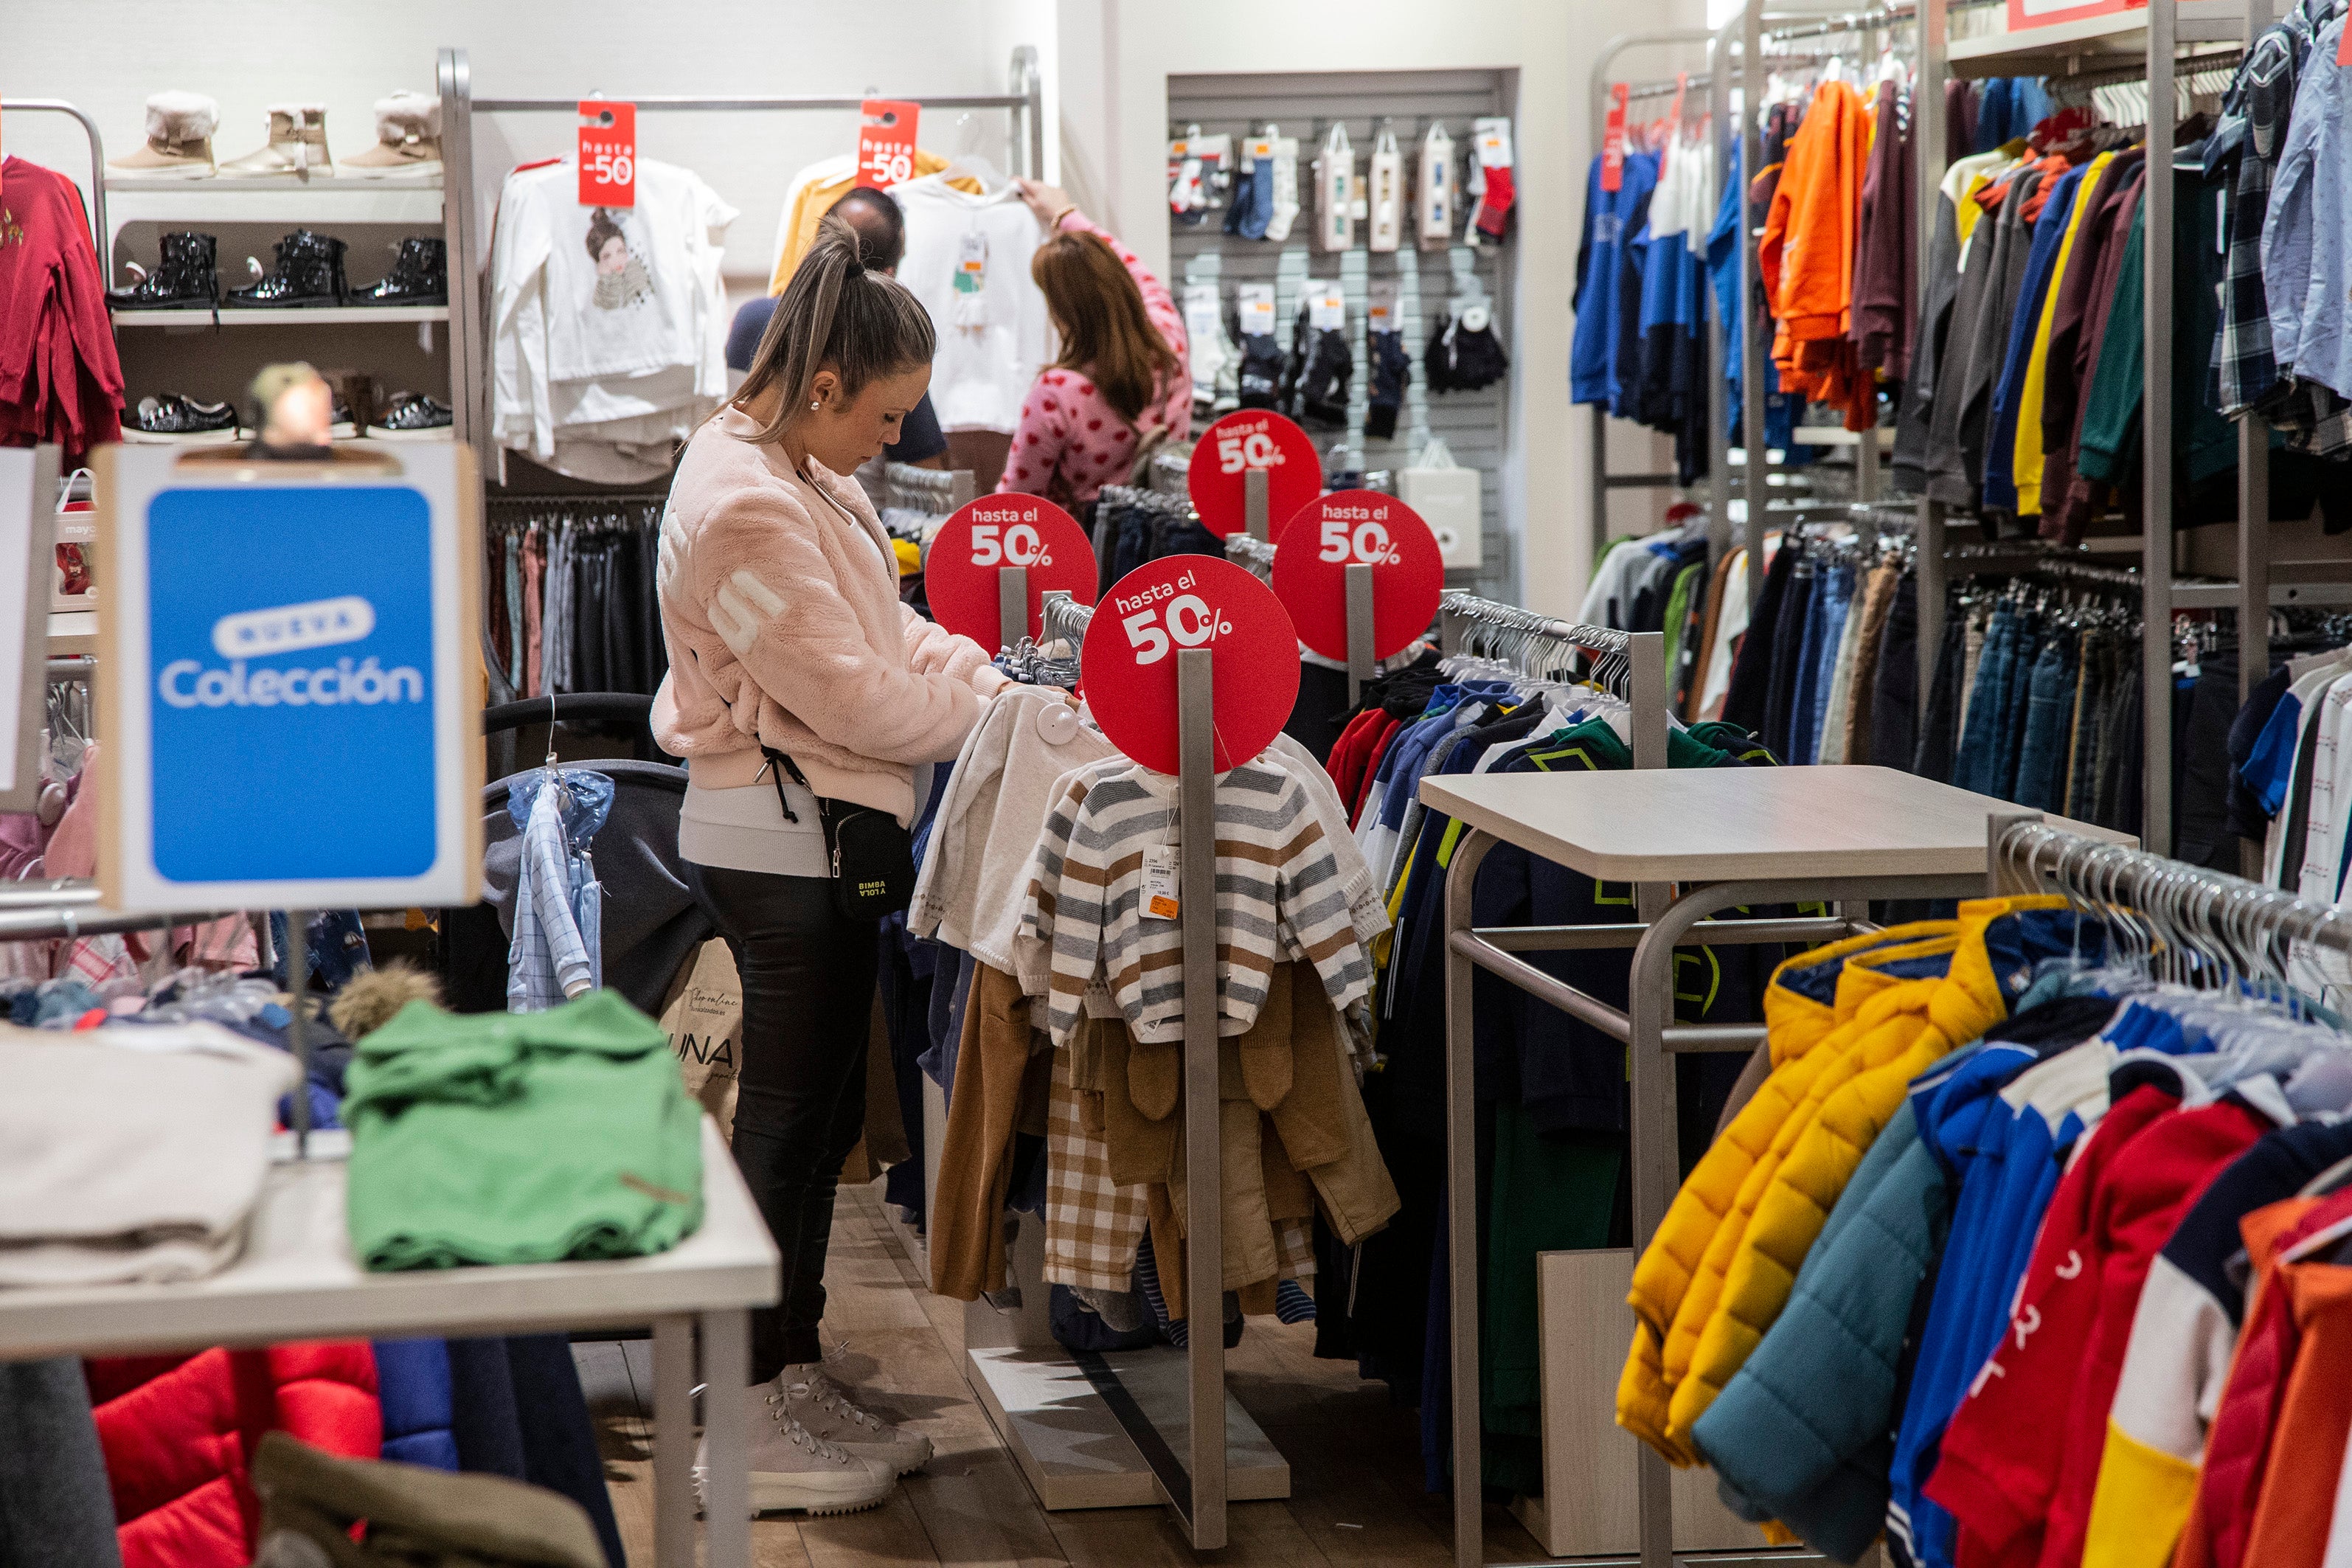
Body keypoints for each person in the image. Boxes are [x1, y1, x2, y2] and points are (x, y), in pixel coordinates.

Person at [652, 212, 1005, 1517]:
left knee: (812, 1127)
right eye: (886, 416)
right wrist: (994, 713)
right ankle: (743, 1413)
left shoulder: (801, 471)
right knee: (789, 1127)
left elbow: (884, 633)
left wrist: (968, 671)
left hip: (811, 834)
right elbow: (853, 698)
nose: (896, 442)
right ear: (822, 387)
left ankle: (785, 1365)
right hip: (778, 841)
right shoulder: (744, 503)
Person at [995, 178, 1190, 507]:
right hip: (1165, 538)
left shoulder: (1057, 392)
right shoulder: (1170, 342)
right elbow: (1135, 268)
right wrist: (1064, 213)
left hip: (1089, 552)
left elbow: (1017, 502)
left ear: (1062, 315)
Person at [726, 186, 946, 468]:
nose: (893, 436)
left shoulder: (751, 317)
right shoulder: (889, 346)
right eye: (890, 416)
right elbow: (928, 465)